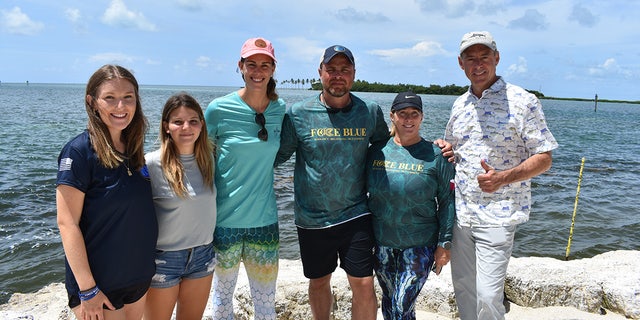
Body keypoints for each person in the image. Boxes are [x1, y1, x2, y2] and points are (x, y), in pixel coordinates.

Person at [445, 31, 559, 320]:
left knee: (488, 295)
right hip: (461, 214)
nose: (478, 64)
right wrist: (445, 149)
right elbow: (455, 149)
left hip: (500, 214)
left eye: (484, 57)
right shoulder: (460, 104)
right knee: (463, 289)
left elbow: (544, 158)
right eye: (471, 59)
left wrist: (503, 177)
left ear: (497, 58)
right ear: (461, 64)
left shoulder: (523, 101)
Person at [275, 44, 390, 320]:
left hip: (356, 213)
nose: (338, 75)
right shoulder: (298, 113)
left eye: (344, 70)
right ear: (320, 73)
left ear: (353, 74)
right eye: (331, 69)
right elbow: (277, 156)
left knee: (363, 282)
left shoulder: (370, 112)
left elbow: (389, 148)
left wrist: (432, 150)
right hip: (312, 218)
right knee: (319, 281)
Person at [56, 64, 158, 320]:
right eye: (110, 98)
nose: (121, 107)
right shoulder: (79, 152)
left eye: (128, 98)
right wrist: (87, 289)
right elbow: (67, 223)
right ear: (92, 102)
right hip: (100, 287)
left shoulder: (132, 149)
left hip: (137, 279)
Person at [204, 37, 285, 320]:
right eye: (251, 64)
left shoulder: (280, 110)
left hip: (264, 225)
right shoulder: (217, 109)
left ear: (273, 69)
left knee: (265, 306)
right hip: (223, 224)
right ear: (240, 66)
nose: (257, 71)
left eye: (265, 65)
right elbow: (198, 158)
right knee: (221, 303)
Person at [366, 91, 456, 320]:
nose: (408, 119)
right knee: (389, 301)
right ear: (392, 116)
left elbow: (447, 201)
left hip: (419, 245)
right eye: (402, 114)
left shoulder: (437, 155)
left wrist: (444, 244)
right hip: (382, 243)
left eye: (414, 114)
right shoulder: (376, 151)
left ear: (422, 117)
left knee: (401, 302)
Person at [143, 93, 216, 319]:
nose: (186, 127)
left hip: (203, 255)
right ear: (166, 126)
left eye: (193, 121)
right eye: (178, 122)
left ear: (201, 125)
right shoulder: (151, 163)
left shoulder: (209, 160)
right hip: (164, 260)